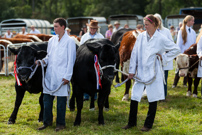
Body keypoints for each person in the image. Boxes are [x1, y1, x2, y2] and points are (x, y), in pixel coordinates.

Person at [122, 14, 180, 132]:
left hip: (154, 72)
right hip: (140, 71)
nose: (145, 27)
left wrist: (163, 57)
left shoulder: (161, 38)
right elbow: (134, 54)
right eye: (144, 25)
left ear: (153, 24)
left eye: (147, 25)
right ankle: (131, 123)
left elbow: (176, 49)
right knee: (134, 96)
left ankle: (148, 124)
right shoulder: (141, 36)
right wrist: (132, 71)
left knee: (153, 98)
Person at [37, 18, 76, 132]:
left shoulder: (70, 41)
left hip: (61, 76)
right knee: (46, 100)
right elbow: (48, 57)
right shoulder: (51, 40)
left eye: (56, 26)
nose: (54, 28)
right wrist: (42, 61)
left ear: (63, 27)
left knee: (60, 102)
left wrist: (68, 76)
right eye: (54, 26)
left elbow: (71, 60)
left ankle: (60, 124)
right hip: (50, 75)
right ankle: (47, 122)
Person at [80, 20, 104, 101]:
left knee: (96, 77)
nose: (92, 30)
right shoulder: (84, 37)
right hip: (86, 60)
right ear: (88, 28)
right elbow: (81, 48)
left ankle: (94, 95)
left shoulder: (101, 37)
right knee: (86, 77)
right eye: (91, 28)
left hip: (96, 61)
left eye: (94, 28)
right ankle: (86, 95)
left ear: (96, 29)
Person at [154, 13, 175, 99]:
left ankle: (163, 95)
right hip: (154, 59)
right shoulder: (150, 31)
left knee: (164, 78)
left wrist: (165, 52)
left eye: (157, 20)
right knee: (154, 78)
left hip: (163, 58)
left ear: (160, 21)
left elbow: (171, 44)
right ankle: (154, 95)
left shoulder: (166, 31)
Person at [172, 15, 196, 88]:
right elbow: (178, 44)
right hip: (182, 53)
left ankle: (185, 83)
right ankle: (174, 84)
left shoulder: (193, 31)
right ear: (188, 21)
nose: (193, 22)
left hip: (190, 54)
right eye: (192, 21)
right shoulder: (181, 31)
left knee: (188, 68)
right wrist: (178, 54)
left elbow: (194, 43)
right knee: (179, 68)